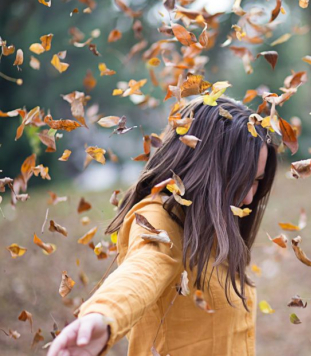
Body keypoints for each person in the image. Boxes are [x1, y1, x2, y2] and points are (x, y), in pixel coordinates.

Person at [47, 96, 278, 356]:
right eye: (241, 180)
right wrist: (101, 316)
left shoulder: (215, 224)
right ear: (206, 168)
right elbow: (143, 269)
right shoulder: (160, 217)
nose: (249, 198)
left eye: (256, 180)